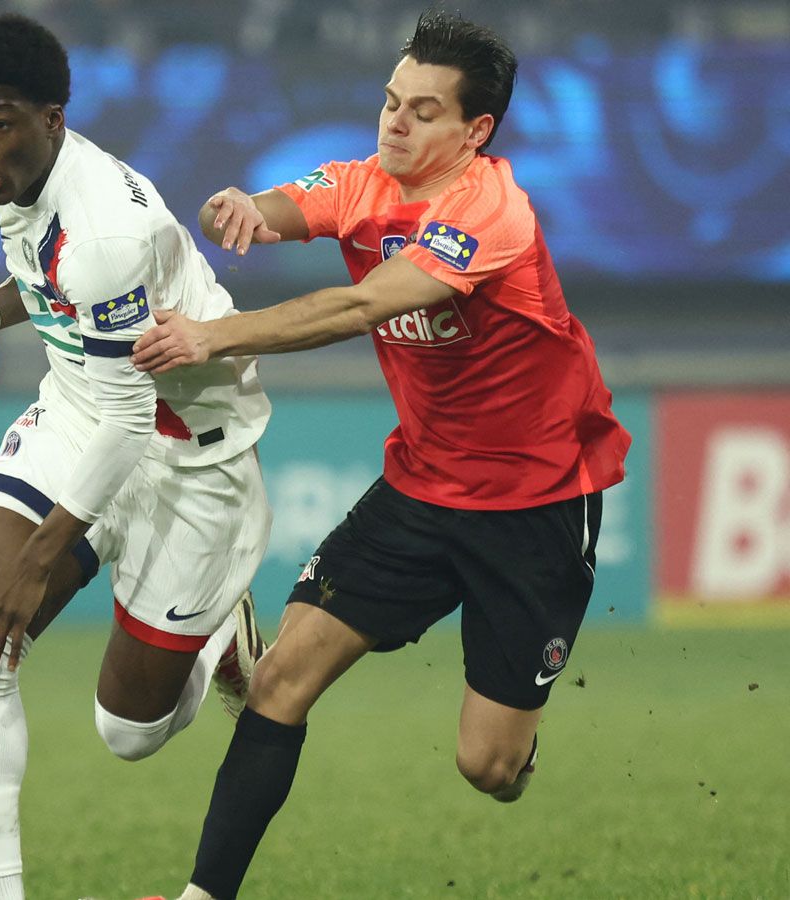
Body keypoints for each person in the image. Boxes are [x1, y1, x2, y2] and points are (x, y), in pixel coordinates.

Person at [128, 11, 632, 899]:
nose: (395, 122)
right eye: (391, 101)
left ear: (475, 131)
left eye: (423, 111)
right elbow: (283, 206)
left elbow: (362, 307)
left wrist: (214, 335)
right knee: (280, 680)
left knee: (487, 766)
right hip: (421, 489)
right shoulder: (363, 181)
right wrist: (242, 207)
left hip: (536, 503)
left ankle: (515, 750)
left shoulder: (491, 213)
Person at [0, 14, 277, 900]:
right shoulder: (24, 172)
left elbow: (132, 418)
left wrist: (36, 564)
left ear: (51, 118)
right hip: (87, 408)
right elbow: (44, 275)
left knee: (128, 733)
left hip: (187, 456)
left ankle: (220, 639)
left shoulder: (102, 235)